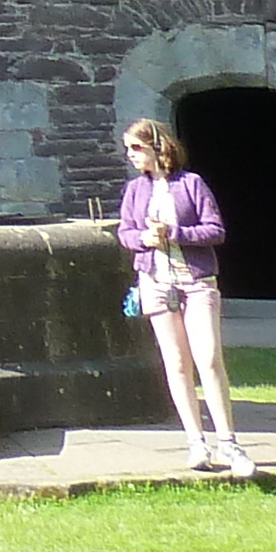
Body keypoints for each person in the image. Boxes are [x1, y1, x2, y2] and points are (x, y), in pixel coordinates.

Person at [116, 118, 252, 478]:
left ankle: (230, 443)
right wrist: (141, 240)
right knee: (176, 365)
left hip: (196, 282)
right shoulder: (134, 190)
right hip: (156, 282)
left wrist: (173, 233)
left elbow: (215, 230)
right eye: (128, 148)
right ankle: (196, 442)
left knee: (208, 359)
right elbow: (125, 232)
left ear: (158, 147)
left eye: (136, 148)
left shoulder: (191, 184)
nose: (130, 155)